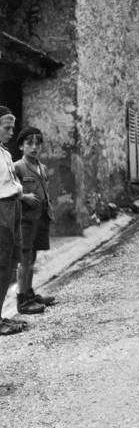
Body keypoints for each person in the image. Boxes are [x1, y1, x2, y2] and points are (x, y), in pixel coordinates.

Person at [14, 127, 56, 314]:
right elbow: (8, 190)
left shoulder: (42, 167)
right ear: (21, 146)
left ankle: (30, 293)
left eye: (38, 143)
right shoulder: (17, 167)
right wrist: (24, 197)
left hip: (40, 218)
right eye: (29, 143)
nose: (34, 147)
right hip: (25, 220)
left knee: (33, 256)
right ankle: (22, 301)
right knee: (24, 260)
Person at [0, 107, 27, 336]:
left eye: (12, 127)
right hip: (2, 210)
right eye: (6, 128)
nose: (11, 132)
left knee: (10, 264)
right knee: (0, 265)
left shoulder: (6, 153)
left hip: (13, 207)